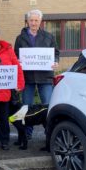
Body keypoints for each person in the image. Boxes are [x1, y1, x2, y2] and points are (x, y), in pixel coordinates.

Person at [14, 9, 59, 140]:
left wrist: (55, 61)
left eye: (36, 20)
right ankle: (27, 133)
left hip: (45, 76)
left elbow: (55, 52)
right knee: (26, 106)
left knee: (48, 106)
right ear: (27, 21)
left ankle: (50, 133)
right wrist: (17, 60)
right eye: (31, 20)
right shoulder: (20, 38)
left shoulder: (49, 36)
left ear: (40, 21)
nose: (34, 23)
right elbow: (15, 54)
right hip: (27, 77)